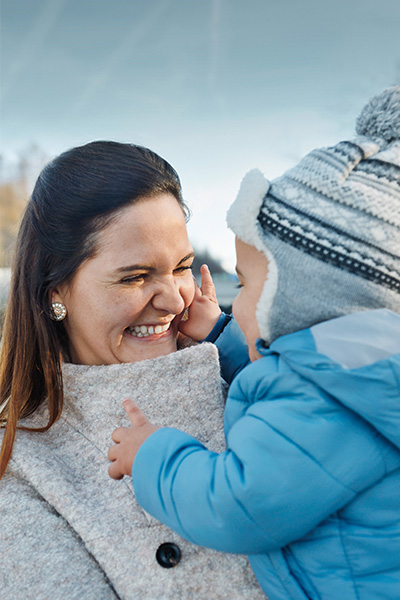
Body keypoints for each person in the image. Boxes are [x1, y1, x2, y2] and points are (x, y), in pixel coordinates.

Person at [108, 87, 400, 599]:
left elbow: (237, 505)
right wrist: (221, 332)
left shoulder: (327, 408)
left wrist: (153, 453)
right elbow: (294, 378)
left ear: (303, 297)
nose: (236, 301)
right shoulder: (367, 367)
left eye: (248, 283)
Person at [0, 141, 265, 599]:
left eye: (181, 267)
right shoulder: (24, 460)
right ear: (53, 291)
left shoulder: (249, 380)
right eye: (135, 277)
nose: (175, 298)